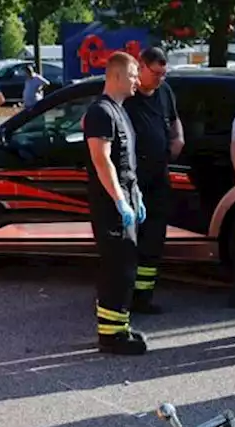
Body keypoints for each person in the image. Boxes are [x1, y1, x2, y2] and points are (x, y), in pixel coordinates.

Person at [85, 52, 147, 356]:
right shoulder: (101, 112)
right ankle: (110, 336)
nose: (138, 80)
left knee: (126, 264)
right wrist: (121, 201)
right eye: (134, 74)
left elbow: (125, 162)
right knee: (116, 266)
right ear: (117, 76)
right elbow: (102, 159)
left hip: (125, 195)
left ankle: (119, 326)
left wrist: (136, 196)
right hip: (111, 201)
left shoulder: (119, 110)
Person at [122, 47, 185, 314]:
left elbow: (173, 119)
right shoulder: (127, 95)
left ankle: (143, 297)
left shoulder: (164, 92)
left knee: (154, 240)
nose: (160, 79)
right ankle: (123, 296)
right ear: (141, 67)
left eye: (163, 73)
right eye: (156, 73)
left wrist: (178, 137)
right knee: (129, 241)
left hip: (158, 176)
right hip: (133, 180)